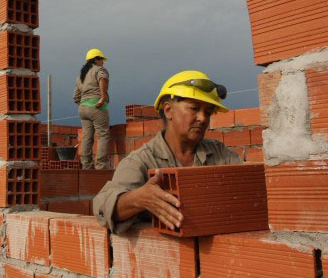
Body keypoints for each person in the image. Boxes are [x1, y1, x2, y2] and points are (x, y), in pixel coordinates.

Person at [92, 70, 241, 234]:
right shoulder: (141, 161)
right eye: (194, 108)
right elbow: (102, 205)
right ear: (168, 110)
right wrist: (139, 199)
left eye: (208, 111)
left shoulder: (221, 155)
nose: (203, 118)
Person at [73, 48, 110, 170]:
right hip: (96, 107)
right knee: (103, 134)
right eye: (101, 60)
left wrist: (83, 105)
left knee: (87, 136)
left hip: (83, 108)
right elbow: (102, 79)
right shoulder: (99, 70)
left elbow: (76, 96)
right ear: (96, 59)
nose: (103, 62)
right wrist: (103, 97)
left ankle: (86, 166)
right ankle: (100, 166)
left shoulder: (81, 75)